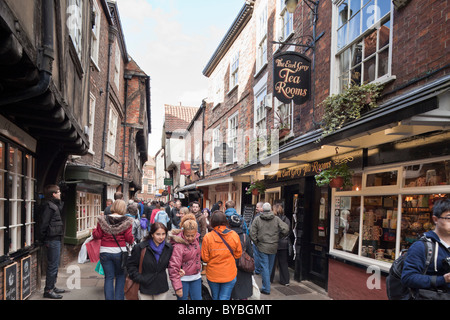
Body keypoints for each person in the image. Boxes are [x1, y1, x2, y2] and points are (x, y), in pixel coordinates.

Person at [401, 199, 450, 297]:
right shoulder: (421, 246)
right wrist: (443, 279)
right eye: (449, 218)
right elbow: (408, 277)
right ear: (435, 219)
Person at [93, 199, 134, 300]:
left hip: (105, 252)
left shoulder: (102, 220)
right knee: (120, 277)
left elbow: (97, 235)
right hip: (120, 253)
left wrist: (95, 230)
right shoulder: (127, 221)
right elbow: (129, 238)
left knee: (109, 277)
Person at [250, 202, 289, 295]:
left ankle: (266, 288)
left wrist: (257, 242)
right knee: (269, 267)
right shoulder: (276, 219)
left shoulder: (257, 219)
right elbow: (286, 229)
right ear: (270, 209)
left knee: (265, 267)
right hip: (273, 246)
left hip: (262, 246)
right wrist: (278, 237)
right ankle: (266, 286)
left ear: (263, 209)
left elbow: (252, 233)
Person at [201, 210, 242, 300]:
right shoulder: (234, 235)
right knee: (225, 297)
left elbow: (205, 258)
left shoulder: (207, 237)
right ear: (225, 221)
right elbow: (238, 254)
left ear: (212, 222)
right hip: (229, 273)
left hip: (213, 274)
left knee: (215, 297)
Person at [127, 222, 174, 300]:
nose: (161, 237)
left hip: (161, 286)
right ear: (152, 234)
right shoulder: (140, 247)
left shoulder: (168, 248)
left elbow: (171, 264)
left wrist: (179, 269)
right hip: (144, 286)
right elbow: (131, 265)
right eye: (158, 234)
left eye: (163, 234)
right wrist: (139, 278)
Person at [38, 184, 65, 299]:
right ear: (53, 194)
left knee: (54, 265)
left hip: (55, 238)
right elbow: (43, 224)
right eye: (58, 192)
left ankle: (52, 286)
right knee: (53, 265)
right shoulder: (49, 207)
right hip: (51, 239)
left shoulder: (54, 205)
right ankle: (48, 290)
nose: (60, 193)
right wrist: (42, 239)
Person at [168, 214, 202, 300]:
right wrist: (177, 287)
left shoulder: (196, 239)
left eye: (192, 235)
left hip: (196, 276)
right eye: (187, 235)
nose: (190, 238)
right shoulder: (178, 246)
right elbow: (173, 266)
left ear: (196, 233)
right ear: (183, 232)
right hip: (183, 279)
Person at [229, 214, 254, 300]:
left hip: (230, 266)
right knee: (243, 292)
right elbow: (250, 253)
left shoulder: (228, 237)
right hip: (243, 266)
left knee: (230, 292)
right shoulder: (245, 237)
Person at [270, 203, 291, 286]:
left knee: (272, 263)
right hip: (284, 244)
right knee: (283, 263)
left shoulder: (272, 219)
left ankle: (270, 279)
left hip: (274, 243)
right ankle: (285, 281)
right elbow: (288, 231)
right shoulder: (287, 219)